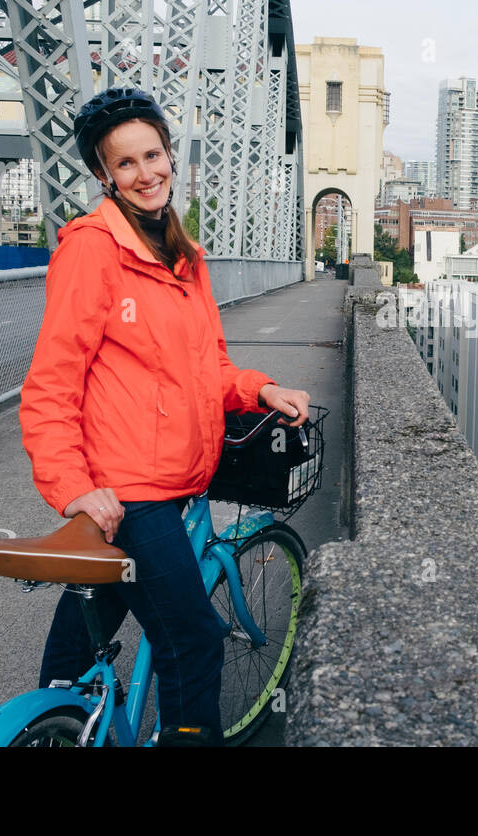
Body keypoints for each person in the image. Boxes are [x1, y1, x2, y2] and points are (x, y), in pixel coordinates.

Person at [19, 86, 310, 744]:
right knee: (196, 642)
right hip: (131, 495)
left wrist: (260, 390)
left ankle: (51, 728)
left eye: (153, 155)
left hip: (173, 477)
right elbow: (50, 384)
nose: (146, 173)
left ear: (171, 157)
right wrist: (73, 489)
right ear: (104, 175)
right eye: (126, 164)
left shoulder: (184, 258)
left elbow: (205, 369)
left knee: (79, 648)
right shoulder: (92, 251)